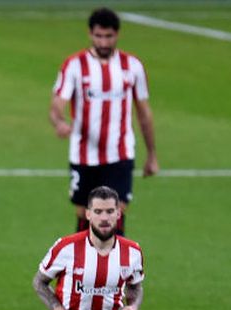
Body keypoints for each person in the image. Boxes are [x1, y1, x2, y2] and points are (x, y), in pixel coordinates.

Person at [49, 7, 157, 235]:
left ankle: (116, 260)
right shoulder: (75, 65)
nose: (104, 42)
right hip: (83, 155)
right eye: (99, 36)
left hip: (120, 153)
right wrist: (59, 122)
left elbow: (144, 113)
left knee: (115, 214)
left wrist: (151, 154)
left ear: (117, 35)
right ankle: (82, 259)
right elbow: (57, 104)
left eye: (109, 36)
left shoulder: (132, 66)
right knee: (85, 215)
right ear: (90, 34)